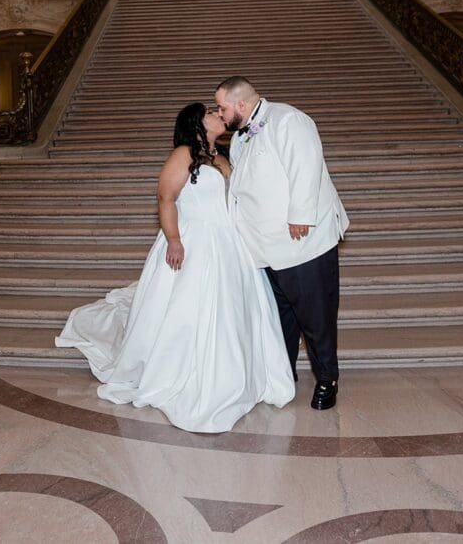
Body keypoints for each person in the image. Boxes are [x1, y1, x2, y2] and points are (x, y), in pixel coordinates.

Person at [56, 103, 295, 433]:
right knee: (188, 310)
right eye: (211, 112)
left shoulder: (225, 157)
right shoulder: (184, 154)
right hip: (194, 240)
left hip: (231, 245)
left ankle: (235, 374)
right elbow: (165, 198)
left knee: (233, 312)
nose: (218, 114)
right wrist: (174, 239)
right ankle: (183, 373)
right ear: (196, 122)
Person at [215, 76, 349, 410]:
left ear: (241, 104)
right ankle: (283, 373)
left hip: (302, 242)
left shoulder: (288, 119)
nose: (220, 113)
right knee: (281, 319)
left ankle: (327, 380)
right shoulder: (241, 137)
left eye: (222, 107)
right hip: (265, 248)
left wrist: (301, 215)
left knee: (315, 317)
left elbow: (306, 165)